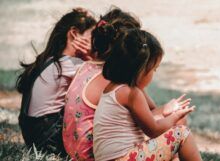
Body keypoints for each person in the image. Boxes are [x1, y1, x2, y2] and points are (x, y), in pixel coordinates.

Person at [93, 28, 203, 161]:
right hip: (125, 158)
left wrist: (166, 110)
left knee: (174, 128)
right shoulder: (131, 94)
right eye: (154, 70)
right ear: (141, 69)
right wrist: (175, 116)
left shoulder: (114, 88)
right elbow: (153, 130)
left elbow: (147, 118)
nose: (153, 74)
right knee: (181, 134)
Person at [62, 8, 141, 160]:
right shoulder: (112, 79)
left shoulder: (84, 66)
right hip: (96, 156)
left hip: (73, 152)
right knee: (174, 121)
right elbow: (145, 117)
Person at [16, 8, 96, 156]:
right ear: (73, 34)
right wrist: (92, 57)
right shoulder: (71, 65)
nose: (95, 43)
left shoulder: (51, 60)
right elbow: (105, 80)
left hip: (35, 138)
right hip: (49, 142)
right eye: (93, 37)